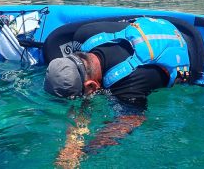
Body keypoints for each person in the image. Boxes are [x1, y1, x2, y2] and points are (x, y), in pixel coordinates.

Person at [43, 17, 195, 167]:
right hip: (158, 27)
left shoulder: (127, 85)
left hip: (187, 49)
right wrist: (72, 141)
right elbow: (88, 97)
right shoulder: (89, 40)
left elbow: (131, 120)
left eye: (79, 96)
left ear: (91, 86)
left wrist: (84, 151)